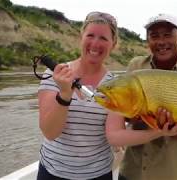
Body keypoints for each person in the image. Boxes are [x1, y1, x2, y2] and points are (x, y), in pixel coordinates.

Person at [106, 14, 177, 180]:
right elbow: (127, 113)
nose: (161, 42)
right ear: (147, 41)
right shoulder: (136, 66)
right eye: (154, 36)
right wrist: (145, 119)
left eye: (167, 35)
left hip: (172, 174)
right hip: (132, 172)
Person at [37, 11, 119, 180]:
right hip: (52, 172)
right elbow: (50, 132)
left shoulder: (116, 85)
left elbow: (115, 134)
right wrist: (65, 93)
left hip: (99, 174)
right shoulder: (54, 74)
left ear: (113, 44)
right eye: (90, 35)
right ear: (81, 37)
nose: (95, 43)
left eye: (103, 38)